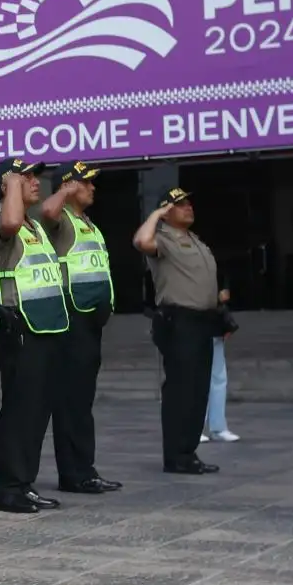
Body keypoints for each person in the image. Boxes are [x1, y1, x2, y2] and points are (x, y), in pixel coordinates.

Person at [0, 158, 69, 515]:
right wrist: (12, 184)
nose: (34, 181)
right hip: (19, 326)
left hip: (45, 324)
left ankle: (23, 482)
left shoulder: (35, 226)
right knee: (21, 408)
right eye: (24, 177)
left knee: (37, 409)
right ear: (5, 186)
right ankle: (7, 488)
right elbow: (9, 222)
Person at [41, 162, 123, 495]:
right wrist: (65, 190)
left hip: (91, 320)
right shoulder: (62, 220)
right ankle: (75, 473)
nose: (92, 188)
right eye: (85, 183)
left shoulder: (87, 223)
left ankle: (83, 467)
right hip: (73, 318)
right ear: (69, 185)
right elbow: (46, 209)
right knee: (72, 400)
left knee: (82, 399)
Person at [134, 187, 222, 474]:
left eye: (188, 203)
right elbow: (140, 240)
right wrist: (157, 214)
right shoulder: (163, 239)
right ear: (166, 211)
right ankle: (175, 455)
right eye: (180, 205)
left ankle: (188, 451)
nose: (188, 208)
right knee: (181, 390)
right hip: (179, 322)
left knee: (198, 391)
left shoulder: (195, 240)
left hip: (202, 322)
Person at [204, 296, 239, 442]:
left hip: (212, 321)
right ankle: (193, 429)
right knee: (196, 377)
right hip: (193, 319)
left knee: (218, 377)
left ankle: (218, 427)